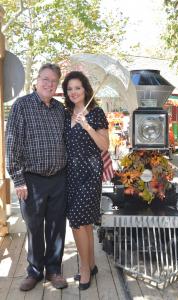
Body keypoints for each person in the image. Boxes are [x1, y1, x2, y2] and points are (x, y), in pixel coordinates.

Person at [6, 63, 68, 291]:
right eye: (45, 79)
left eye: (54, 81)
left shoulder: (61, 110)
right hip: (32, 180)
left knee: (56, 227)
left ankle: (53, 270)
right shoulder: (22, 106)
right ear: (36, 80)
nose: (49, 84)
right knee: (34, 227)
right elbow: (12, 144)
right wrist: (18, 179)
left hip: (59, 178)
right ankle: (34, 271)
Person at [62, 71, 109, 290]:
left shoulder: (96, 113)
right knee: (85, 223)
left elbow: (104, 146)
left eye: (77, 88)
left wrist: (87, 126)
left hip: (90, 173)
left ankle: (84, 270)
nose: (73, 92)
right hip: (70, 174)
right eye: (70, 88)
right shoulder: (65, 113)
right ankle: (91, 264)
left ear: (85, 89)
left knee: (79, 221)